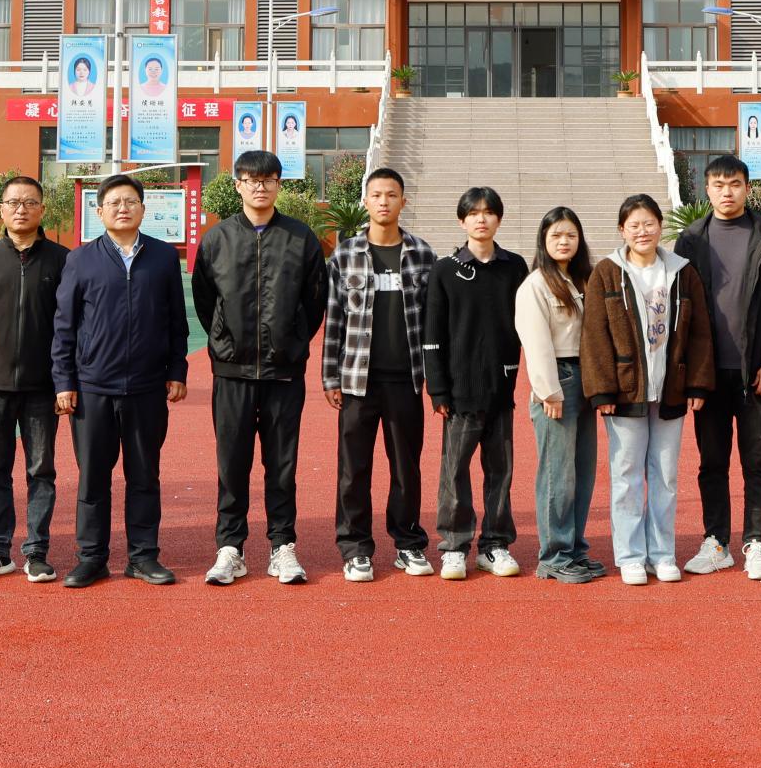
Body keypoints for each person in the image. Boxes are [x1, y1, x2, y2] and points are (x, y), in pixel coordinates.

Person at [194, 149, 328, 586]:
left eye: (268, 179)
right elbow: (205, 299)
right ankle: (230, 548)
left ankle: (282, 546)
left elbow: (315, 300)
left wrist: (291, 341)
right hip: (232, 371)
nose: (260, 187)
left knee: (282, 465)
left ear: (278, 185)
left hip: (283, 372)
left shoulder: (300, 238)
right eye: (251, 180)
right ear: (238, 185)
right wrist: (224, 341)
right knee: (232, 463)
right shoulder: (217, 239)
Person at [52, 173, 189, 588]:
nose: (123, 208)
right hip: (93, 387)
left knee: (144, 475)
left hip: (147, 387)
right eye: (114, 203)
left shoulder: (163, 257)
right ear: (99, 212)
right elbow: (64, 325)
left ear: (143, 209)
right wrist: (64, 380)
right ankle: (91, 557)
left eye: (130, 201)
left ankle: (143, 557)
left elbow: (177, 321)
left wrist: (177, 371)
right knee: (93, 477)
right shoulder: (80, 260)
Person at [580, 193, 716, 586]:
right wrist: (602, 391)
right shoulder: (607, 272)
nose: (643, 231)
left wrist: (698, 382)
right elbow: (594, 335)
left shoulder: (681, 271)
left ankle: (662, 553)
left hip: (670, 388)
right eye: (634, 225)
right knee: (626, 475)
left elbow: (700, 332)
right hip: (625, 393)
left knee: (666, 476)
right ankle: (630, 556)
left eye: (649, 223)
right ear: (622, 230)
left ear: (660, 226)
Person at [674, 155, 761, 581]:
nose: (726, 192)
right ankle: (716, 542)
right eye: (718, 184)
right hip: (708, 375)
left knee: (757, 463)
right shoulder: (691, 240)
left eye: (734, 184)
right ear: (706, 189)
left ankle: (757, 543)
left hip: (754, 374)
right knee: (711, 463)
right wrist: (690, 373)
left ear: (748, 188)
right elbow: (681, 309)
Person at [322, 167, 438, 582]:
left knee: (406, 466)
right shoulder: (345, 255)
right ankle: (355, 548)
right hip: (357, 379)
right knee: (353, 468)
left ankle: (408, 543)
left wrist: (434, 375)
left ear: (403, 201)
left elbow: (433, 321)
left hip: (406, 378)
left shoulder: (422, 254)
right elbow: (334, 318)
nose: (384, 201)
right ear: (366, 201)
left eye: (391, 195)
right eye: (376, 195)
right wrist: (330, 377)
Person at [0, 174, 70, 583]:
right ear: (1, 209)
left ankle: (36, 552)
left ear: (42, 209)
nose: (21, 209)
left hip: (43, 389)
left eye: (29, 202)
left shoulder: (62, 260)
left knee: (41, 472)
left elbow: (70, 327)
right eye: (13, 202)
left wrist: (65, 382)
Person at [425, 187, 532, 581]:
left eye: (488, 212)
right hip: (458, 393)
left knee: (500, 471)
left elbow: (527, 324)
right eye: (473, 213)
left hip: (501, 388)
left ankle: (495, 545)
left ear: (499, 219)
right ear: (462, 220)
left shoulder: (514, 267)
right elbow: (432, 334)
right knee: (454, 471)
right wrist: (438, 389)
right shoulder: (444, 269)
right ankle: (454, 546)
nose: (481, 219)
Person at [517, 206, 603, 583]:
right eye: (555, 235)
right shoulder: (536, 285)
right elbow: (535, 342)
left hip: (586, 379)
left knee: (582, 471)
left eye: (570, 235)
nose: (563, 241)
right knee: (557, 474)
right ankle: (553, 555)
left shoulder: (584, 280)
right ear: (543, 240)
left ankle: (574, 549)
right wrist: (548, 391)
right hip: (558, 380)